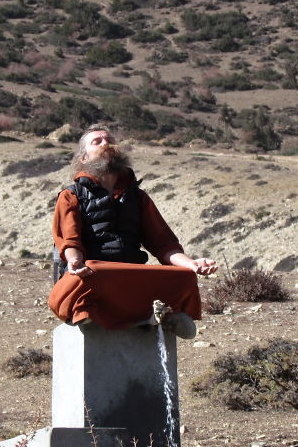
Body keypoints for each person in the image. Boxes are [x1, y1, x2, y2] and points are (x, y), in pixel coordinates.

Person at [48, 124, 217, 337]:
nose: (106, 143)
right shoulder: (71, 195)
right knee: (87, 277)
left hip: (131, 274)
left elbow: (164, 244)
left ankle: (161, 316)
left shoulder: (137, 197)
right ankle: (98, 315)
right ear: (84, 159)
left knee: (184, 276)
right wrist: (75, 262)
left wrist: (192, 264)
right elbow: (69, 239)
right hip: (94, 273)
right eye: (97, 141)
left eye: (109, 139)